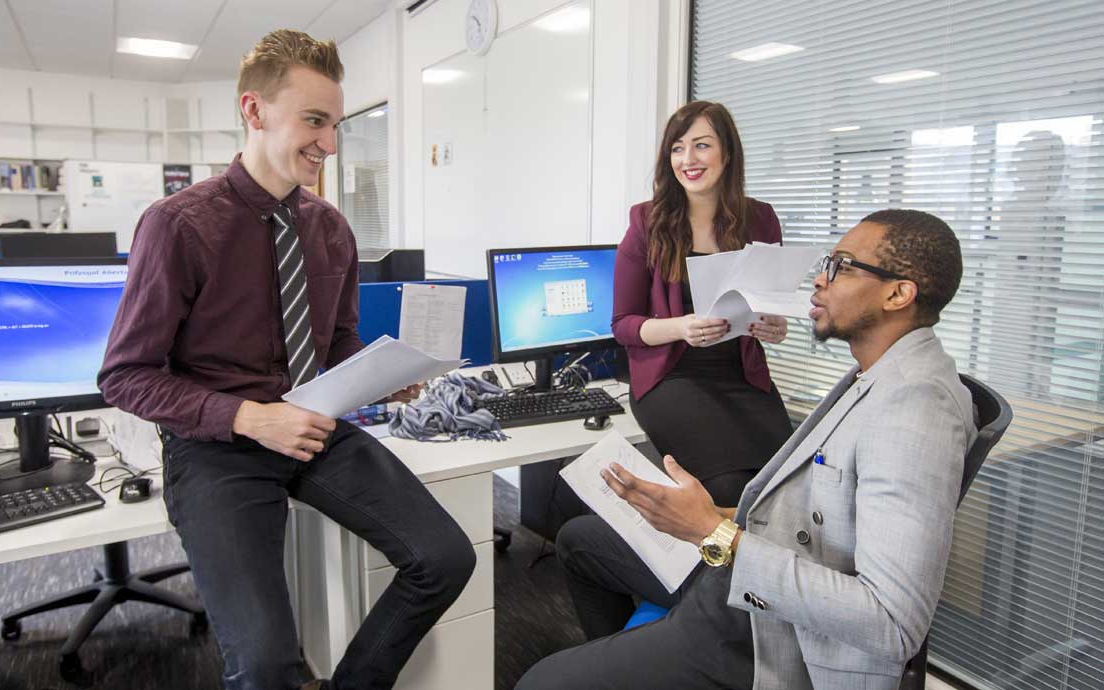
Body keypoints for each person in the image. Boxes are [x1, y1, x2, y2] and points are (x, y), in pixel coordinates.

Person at [97, 30, 474, 690]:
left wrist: (388, 376)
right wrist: (248, 418)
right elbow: (125, 376)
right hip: (216, 449)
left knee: (443, 558)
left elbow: (337, 346)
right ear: (255, 110)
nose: (329, 143)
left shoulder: (330, 229)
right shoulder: (179, 225)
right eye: (314, 121)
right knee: (268, 664)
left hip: (316, 428)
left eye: (334, 124)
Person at [518, 209, 978, 690]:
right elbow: (826, 513)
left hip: (771, 636)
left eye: (841, 266)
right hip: (753, 578)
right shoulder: (874, 373)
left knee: (539, 683)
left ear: (898, 293)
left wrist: (714, 533)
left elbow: (891, 623)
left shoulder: (915, 408)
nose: (819, 279)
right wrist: (712, 514)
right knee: (579, 540)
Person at [613, 100, 794, 506]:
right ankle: (713, 568)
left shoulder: (761, 220)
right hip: (671, 375)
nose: (688, 159)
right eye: (677, 148)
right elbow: (623, 324)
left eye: (701, 146)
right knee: (729, 489)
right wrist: (682, 326)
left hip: (741, 374)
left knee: (784, 485)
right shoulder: (647, 222)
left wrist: (775, 326)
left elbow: (769, 304)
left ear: (727, 153)